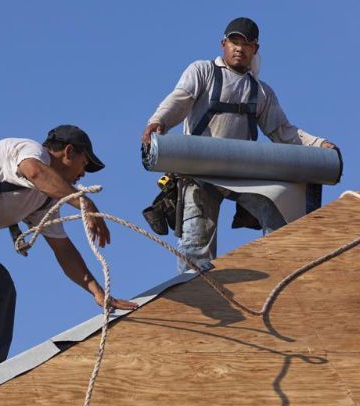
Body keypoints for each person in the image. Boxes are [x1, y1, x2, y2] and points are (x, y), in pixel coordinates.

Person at [0, 124, 138, 398]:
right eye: (84, 164)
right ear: (68, 151)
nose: (83, 174)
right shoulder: (29, 151)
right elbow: (34, 171)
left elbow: (63, 249)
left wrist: (98, 293)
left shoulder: (43, 198)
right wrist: (85, 203)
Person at [142, 17, 339, 273]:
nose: (239, 48)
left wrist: (319, 145)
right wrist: (158, 122)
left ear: (255, 49)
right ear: (223, 44)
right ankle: (196, 289)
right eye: (234, 42)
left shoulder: (260, 91)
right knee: (196, 244)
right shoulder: (203, 72)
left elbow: (282, 131)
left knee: (278, 213)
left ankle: (285, 275)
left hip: (243, 173)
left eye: (246, 44)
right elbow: (179, 99)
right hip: (200, 172)